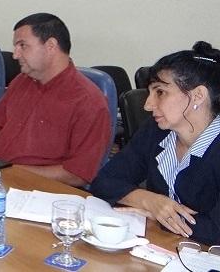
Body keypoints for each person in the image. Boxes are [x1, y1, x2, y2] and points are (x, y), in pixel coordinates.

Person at [0, 13, 111, 187]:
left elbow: (77, 174)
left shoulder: (89, 101)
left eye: (22, 46)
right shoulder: (22, 81)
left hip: (39, 191)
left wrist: (10, 170)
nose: (15, 55)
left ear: (51, 46)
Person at [91, 42, 220, 245]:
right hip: (160, 248)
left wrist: (158, 217)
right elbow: (104, 181)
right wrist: (150, 201)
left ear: (198, 96)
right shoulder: (158, 131)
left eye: (160, 92)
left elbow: (216, 231)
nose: (148, 104)